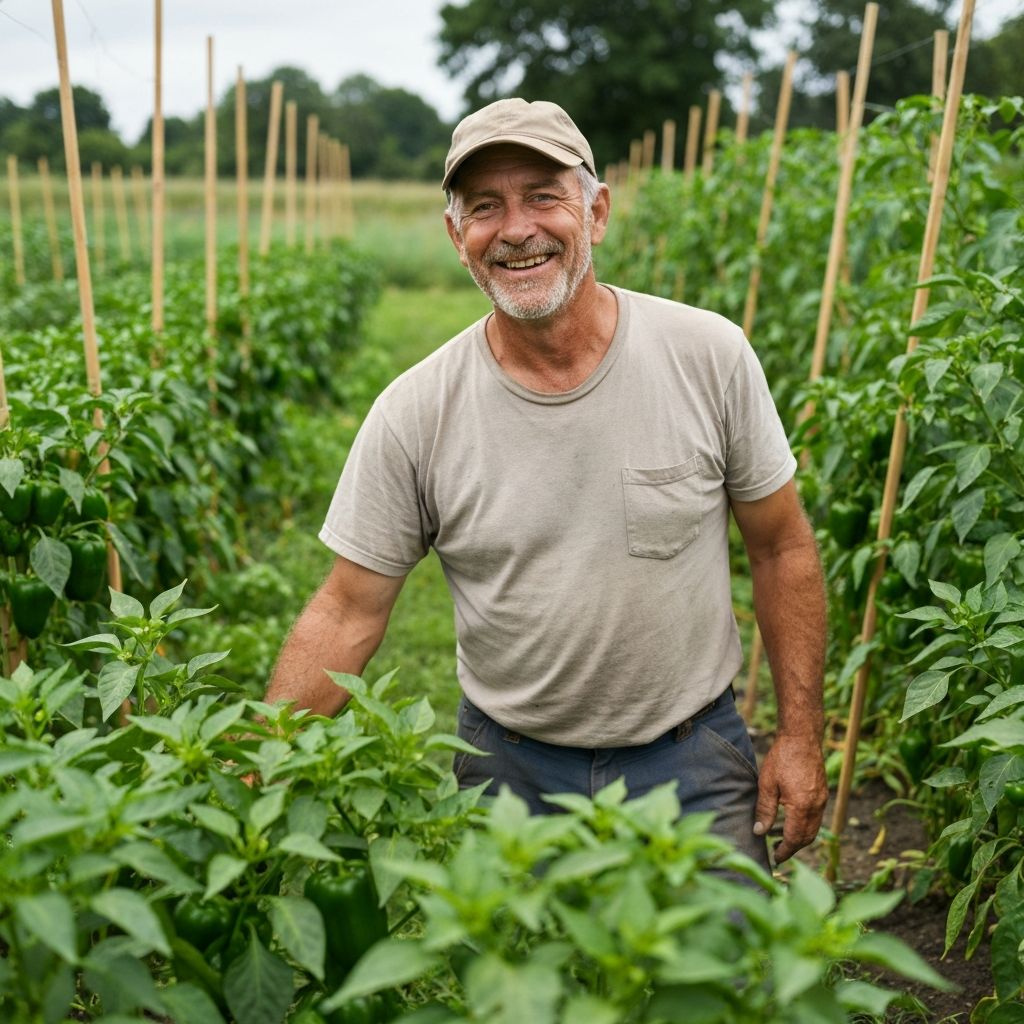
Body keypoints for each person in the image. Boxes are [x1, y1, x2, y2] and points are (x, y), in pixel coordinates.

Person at [266, 98, 828, 869]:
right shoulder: (416, 411)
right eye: (485, 207)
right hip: (510, 771)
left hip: (691, 758)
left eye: (543, 196)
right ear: (457, 237)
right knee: (520, 984)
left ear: (595, 212)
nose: (517, 229)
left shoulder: (708, 356)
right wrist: (255, 770)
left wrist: (799, 736)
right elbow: (345, 609)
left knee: (716, 984)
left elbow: (782, 547)